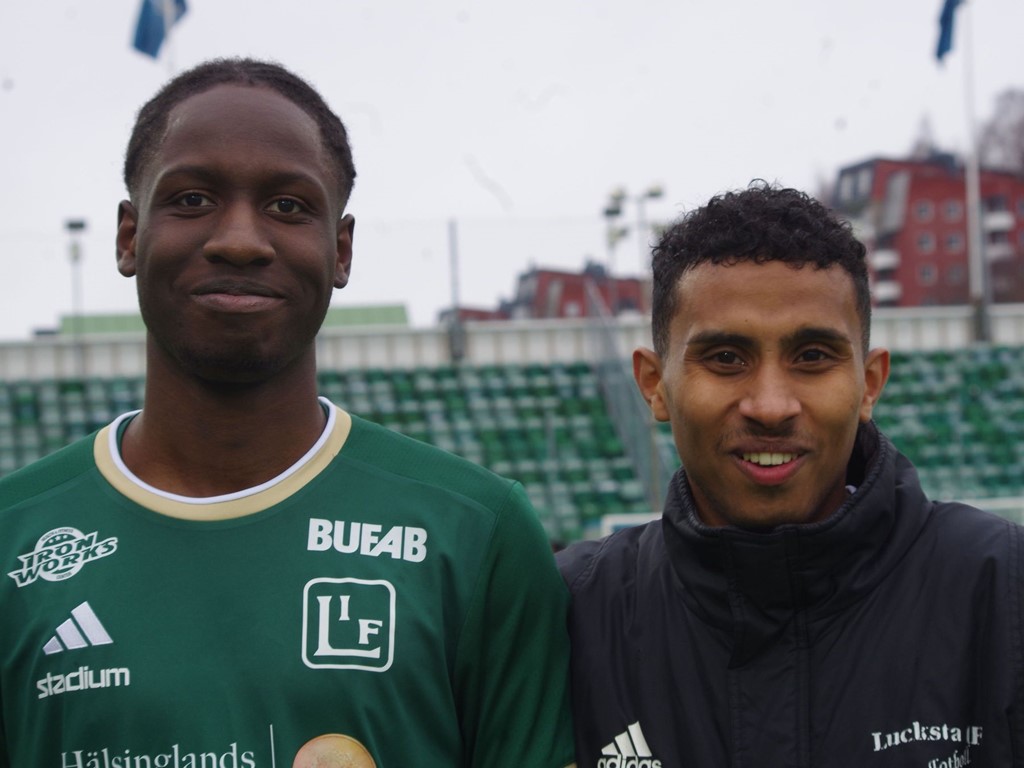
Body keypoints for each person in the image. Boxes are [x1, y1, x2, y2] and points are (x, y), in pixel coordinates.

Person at [0, 58, 575, 768]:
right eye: (190, 199)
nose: (239, 239)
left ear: (340, 249)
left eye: (288, 207)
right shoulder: (11, 534)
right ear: (127, 236)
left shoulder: (475, 533)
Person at [557, 182, 1024, 767]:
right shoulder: (573, 611)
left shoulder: (1002, 587)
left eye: (813, 357)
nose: (771, 405)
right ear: (654, 384)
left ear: (869, 383)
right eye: (726, 358)